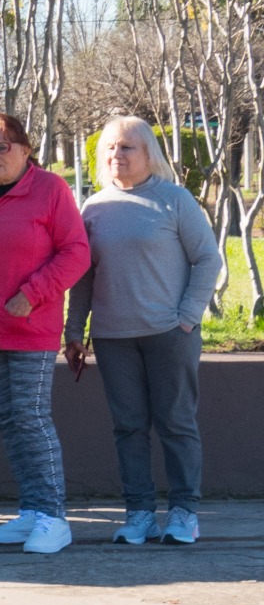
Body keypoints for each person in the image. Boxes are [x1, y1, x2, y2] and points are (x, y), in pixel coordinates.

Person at [66, 117, 221, 547]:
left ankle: (184, 513)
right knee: (128, 427)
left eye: (128, 148)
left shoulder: (174, 200)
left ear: (149, 153)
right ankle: (138, 515)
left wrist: (186, 316)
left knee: (176, 422)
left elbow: (208, 259)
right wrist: (75, 329)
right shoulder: (93, 208)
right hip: (114, 338)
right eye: (111, 149)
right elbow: (83, 277)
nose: (117, 155)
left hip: (169, 333)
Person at [0, 111, 91, 556]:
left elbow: (76, 252)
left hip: (31, 326)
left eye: (1, 147)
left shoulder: (50, 189)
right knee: (9, 420)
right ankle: (32, 511)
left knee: (31, 418)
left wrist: (34, 292)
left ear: (25, 150)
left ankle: (54, 517)